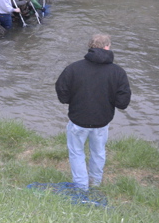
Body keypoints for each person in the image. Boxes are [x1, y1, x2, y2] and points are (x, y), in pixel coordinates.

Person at [55, 34, 132, 191]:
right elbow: (122, 102)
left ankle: (81, 186)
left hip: (78, 120)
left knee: (76, 153)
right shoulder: (118, 72)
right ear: (107, 47)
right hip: (101, 121)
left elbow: (62, 91)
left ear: (90, 47)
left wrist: (71, 100)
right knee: (98, 152)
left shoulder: (73, 68)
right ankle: (95, 183)